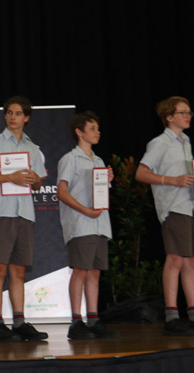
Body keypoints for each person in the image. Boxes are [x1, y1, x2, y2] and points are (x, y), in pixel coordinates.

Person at [135, 96, 194, 336]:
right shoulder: (159, 143)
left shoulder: (186, 142)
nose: (188, 116)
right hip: (174, 207)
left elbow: (186, 175)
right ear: (169, 117)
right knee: (175, 259)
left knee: (192, 261)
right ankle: (171, 317)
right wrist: (173, 180)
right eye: (183, 112)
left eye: (189, 112)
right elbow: (141, 173)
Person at [0, 96, 48, 342]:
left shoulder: (32, 148)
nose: (12, 117)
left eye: (17, 113)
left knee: (19, 271)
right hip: (0, 212)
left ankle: (19, 322)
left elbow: (37, 184)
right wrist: (9, 178)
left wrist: (34, 180)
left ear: (26, 117)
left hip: (24, 212)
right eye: (9, 113)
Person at [55, 111, 119, 340]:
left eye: (97, 128)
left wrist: (108, 180)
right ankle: (76, 321)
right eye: (92, 128)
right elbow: (61, 191)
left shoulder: (99, 161)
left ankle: (93, 319)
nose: (97, 132)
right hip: (81, 223)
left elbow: (99, 195)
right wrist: (84, 210)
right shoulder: (70, 159)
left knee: (95, 272)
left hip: (100, 224)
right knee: (80, 270)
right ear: (79, 132)